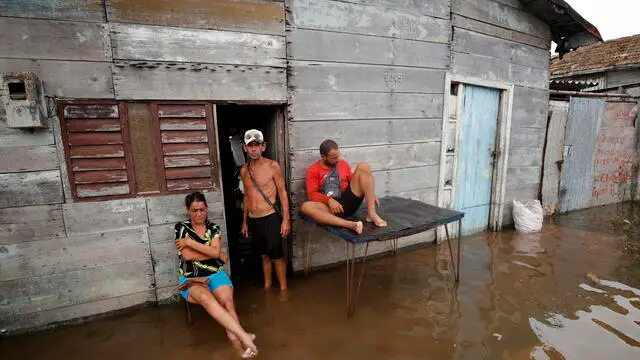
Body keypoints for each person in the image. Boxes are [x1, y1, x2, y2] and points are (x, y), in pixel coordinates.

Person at [175, 191, 257, 359]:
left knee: (228, 303)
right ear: (188, 211)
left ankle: (241, 349)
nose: (199, 214)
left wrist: (191, 243)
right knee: (207, 299)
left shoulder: (213, 228)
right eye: (194, 210)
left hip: (215, 273)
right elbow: (187, 257)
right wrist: (215, 254)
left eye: (202, 209)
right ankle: (243, 338)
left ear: (207, 208)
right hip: (191, 277)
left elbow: (210, 252)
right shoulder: (181, 227)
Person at [239, 129, 291, 290]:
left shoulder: (272, 166)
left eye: (257, 145)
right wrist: (245, 222)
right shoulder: (244, 170)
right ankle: (267, 287)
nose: (254, 149)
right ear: (244, 148)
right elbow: (246, 197)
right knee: (264, 256)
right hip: (254, 219)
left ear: (263, 147)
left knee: (276, 256)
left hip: (270, 217)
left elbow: (282, 193)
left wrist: (286, 220)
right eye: (250, 146)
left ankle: (283, 290)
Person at [301, 139, 387, 234]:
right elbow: (312, 194)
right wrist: (329, 200)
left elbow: (354, 181)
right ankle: (351, 225)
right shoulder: (312, 170)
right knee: (306, 207)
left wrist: (371, 194)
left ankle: (372, 214)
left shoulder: (343, 164)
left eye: (338, 156)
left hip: (349, 201)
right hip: (331, 209)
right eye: (333, 158)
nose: (337, 159)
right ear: (323, 157)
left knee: (364, 166)